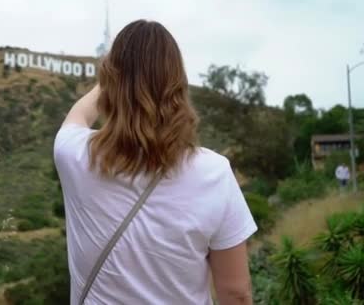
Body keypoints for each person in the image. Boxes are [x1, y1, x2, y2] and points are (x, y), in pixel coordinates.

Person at [53, 20, 257, 304]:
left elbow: (78, 116)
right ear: (178, 85)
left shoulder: (74, 155)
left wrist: (114, 79)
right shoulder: (214, 173)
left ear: (110, 83)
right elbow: (236, 293)